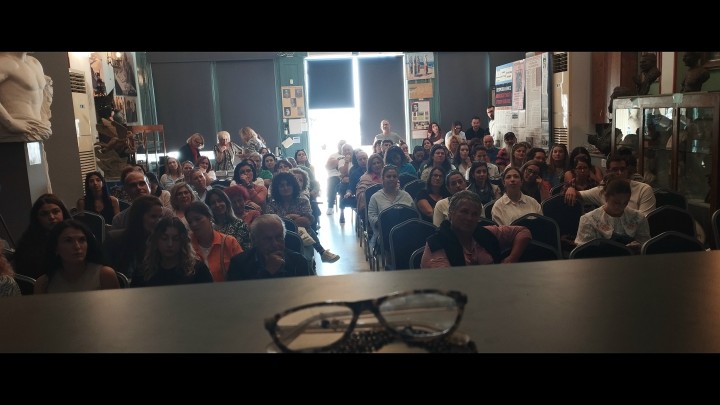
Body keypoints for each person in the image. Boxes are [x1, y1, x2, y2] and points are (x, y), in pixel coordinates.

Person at [421, 190, 531, 268]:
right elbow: (448, 282)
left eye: (475, 214)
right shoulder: (436, 244)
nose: (469, 218)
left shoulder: (486, 233)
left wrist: (512, 258)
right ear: (451, 213)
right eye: (464, 212)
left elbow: (523, 232)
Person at [264, 172, 340, 263]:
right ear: (277, 188)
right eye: (282, 186)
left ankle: (317, 256)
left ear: (293, 186)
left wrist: (284, 220)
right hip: (279, 237)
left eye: (288, 185)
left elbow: (306, 221)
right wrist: (291, 217)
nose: (285, 188)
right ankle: (322, 251)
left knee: (304, 254)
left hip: (302, 237)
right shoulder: (272, 204)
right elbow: (272, 224)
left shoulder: (303, 201)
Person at [35, 220, 120, 294]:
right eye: (68, 241)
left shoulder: (104, 275)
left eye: (82, 240)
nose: (77, 246)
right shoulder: (44, 283)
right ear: (56, 248)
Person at [574, 175, 651, 254]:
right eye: (616, 203)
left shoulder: (638, 217)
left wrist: (638, 247)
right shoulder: (589, 219)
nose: (620, 207)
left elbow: (646, 247)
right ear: (606, 197)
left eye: (625, 203)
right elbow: (583, 253)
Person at [564, 153, 656, 216]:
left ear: (627, 171)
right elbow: (579, 194)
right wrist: (571, 188)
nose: (619, 173)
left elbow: (644, 221)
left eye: (622, 169)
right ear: (608, 172)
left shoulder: (644, 189)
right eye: (615, 170)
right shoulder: (602, 190)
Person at [131, 217, 213, 287]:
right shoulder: (143, 271)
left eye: (175, 239)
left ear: (182, 241)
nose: (170, 244)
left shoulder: (197, 270)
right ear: (156, 240)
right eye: (164, 238)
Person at [227, 214, 311, 280]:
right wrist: (268, 271)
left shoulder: (298, 261)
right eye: (267, 239)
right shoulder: (239, 264)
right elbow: (240, 295)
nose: (275, 244)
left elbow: (307, 294)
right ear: (254, 239)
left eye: (279, 237)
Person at [104, 195, 164, 279]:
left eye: (160, 217)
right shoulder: (115, 239)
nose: (159, 221)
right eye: (153, 216)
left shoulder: (162, 242)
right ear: (139, 217)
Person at [13, 193, 72, 279]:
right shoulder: (27, 244)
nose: (51, 217)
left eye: (56, 212)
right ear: (37, 218)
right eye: (44, 214)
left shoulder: (77, 235)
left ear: (63, 213)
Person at [0, 52, 53, 142]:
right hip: (15, 131)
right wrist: (10, 123)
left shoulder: (35, 62)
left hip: (37, 128)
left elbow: (43, 94)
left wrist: (44, 120)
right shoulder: (4, 63)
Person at [186, 201, 243, 282]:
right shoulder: (187, 245)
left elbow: (243, 270)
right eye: (190, 222)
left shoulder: (229, 242)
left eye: (198, 219)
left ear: (209, 217)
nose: (193, 224)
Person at [367, 165, 415, 249]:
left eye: (394, 176)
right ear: (382, 178)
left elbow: (414, 214)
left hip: (406, 232)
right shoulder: (375, 197)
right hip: (384, 234)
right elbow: (372, 217)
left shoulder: (406, 195)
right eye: (388, 176)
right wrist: (387, 222)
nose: (392, 179)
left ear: (397, 179)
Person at [324, 140, 348, 215]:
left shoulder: (350, 155)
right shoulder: (333, 155)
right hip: (334, 176)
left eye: (344, 144)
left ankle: (342, 208)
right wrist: (340, 161)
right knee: (332, 182)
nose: (342, 145)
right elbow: (328, 166)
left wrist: (336, 162)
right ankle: (330, 206)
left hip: (346, 176)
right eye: (340, 144)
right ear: (338, 146)